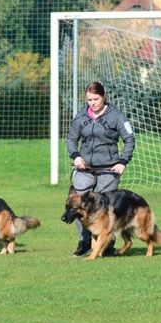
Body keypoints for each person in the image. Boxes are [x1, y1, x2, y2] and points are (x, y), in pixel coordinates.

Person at [66, 81, 135, 257]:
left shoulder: (116, 116)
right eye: (89, 100)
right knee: (77, 205)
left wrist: (123, 162)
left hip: (109, 169)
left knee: (106, 209)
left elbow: (129, 139)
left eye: (96, 99)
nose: (92, 103)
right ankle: (85, 242)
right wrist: (76, 156)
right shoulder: (81, 116)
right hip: (85, 168)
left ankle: (107, 245)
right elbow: (71, 139)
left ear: (104, 97)